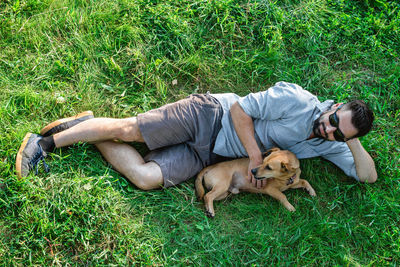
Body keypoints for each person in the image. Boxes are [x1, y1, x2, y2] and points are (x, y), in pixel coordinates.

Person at [16, 81, 377, 190]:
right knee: (130, 130)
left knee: (145, 178)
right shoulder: (298, 100)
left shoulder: (329, 143)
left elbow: (367, 176)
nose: (326, 129)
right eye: (333, 121)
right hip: (210, 116)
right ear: (334, 105)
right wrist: (254, 158)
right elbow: (240, 111)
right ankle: (42, 143)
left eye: (336, 134)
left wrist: (349, 138)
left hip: (210, 157)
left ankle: (88, 126)